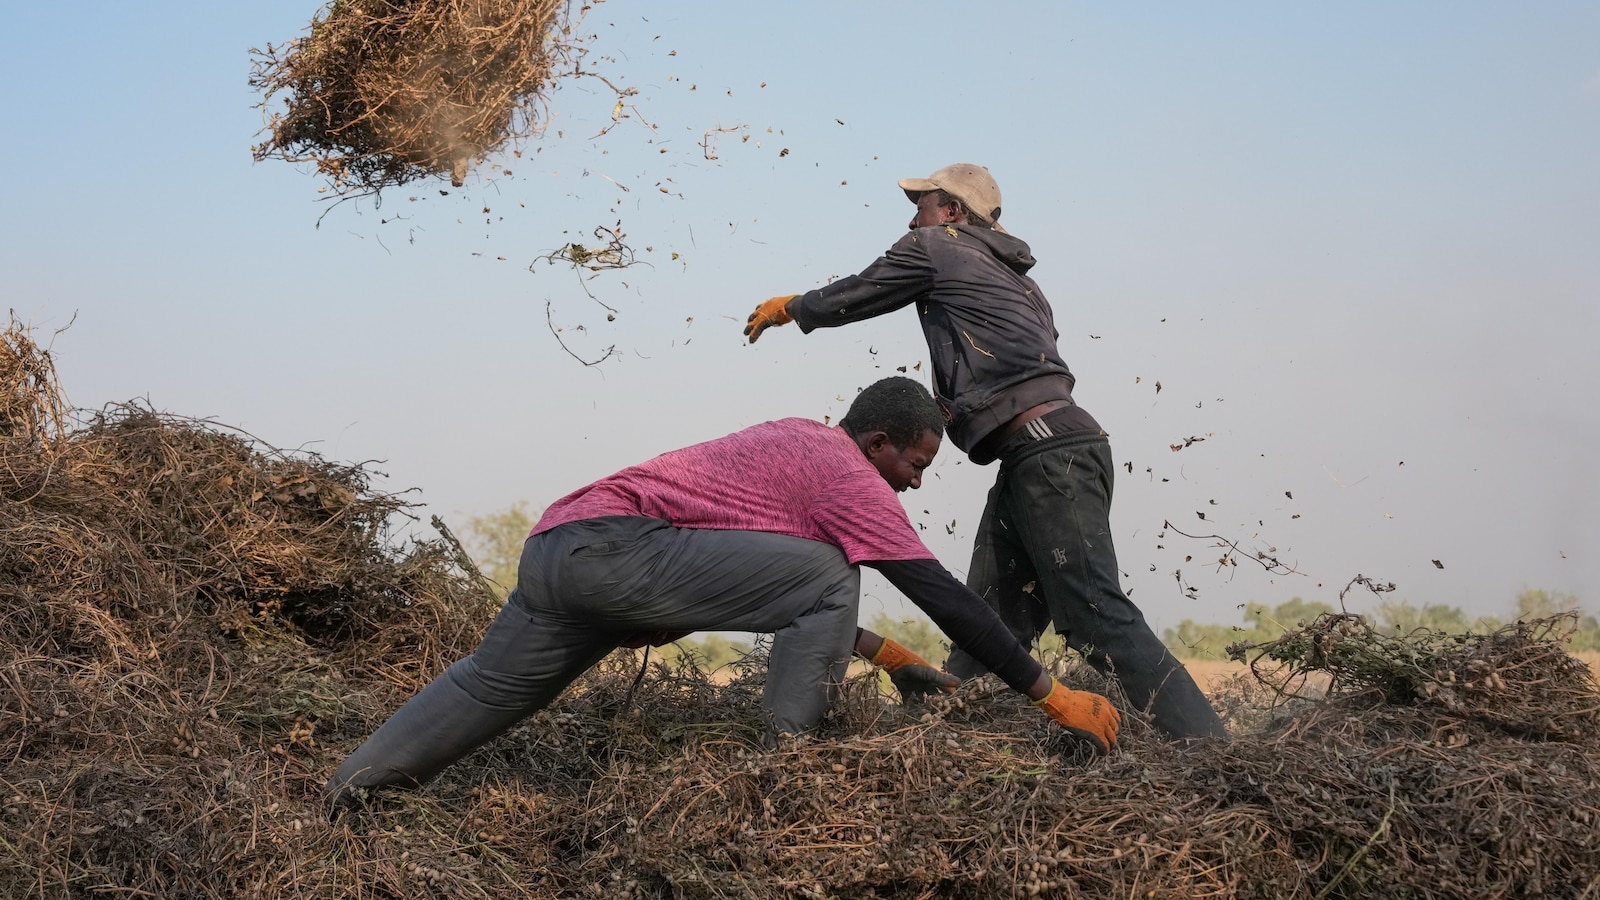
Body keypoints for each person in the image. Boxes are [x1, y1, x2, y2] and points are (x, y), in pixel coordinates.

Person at [323, 377, 1119, 812]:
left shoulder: (794, 438)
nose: (911, 486)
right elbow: (941, 593)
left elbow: (747, 586)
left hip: (559, 548)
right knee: (831, 575)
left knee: (485, 686)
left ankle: (344, 796)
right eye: (914, 465)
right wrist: (1049, 694)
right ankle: (780, 776)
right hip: (618, 550)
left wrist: (888, 655)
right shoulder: (848, 474)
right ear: (878, 442)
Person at [743, 164, 1227, 740]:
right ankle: (944, 742)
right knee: (990, 621)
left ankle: (1212, 751)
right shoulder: (1019, 280)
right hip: (1044, 454)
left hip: (1050, 455)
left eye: (921, 204)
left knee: (1095, 615)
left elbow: (863, 291)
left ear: (950, 212)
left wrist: (795, 307)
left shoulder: (939, 245)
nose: (911, 217)